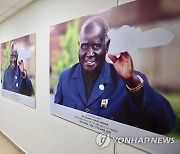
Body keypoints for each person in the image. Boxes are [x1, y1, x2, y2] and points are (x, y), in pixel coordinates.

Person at [54, 17, 176, 134]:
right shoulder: (66, 77)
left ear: (106, 46)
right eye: (85, 46)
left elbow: (164, 125)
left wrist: (132, 82)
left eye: (96, 46)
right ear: (79, 45)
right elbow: (57, 118)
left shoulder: (128, 81)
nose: (90, 53)